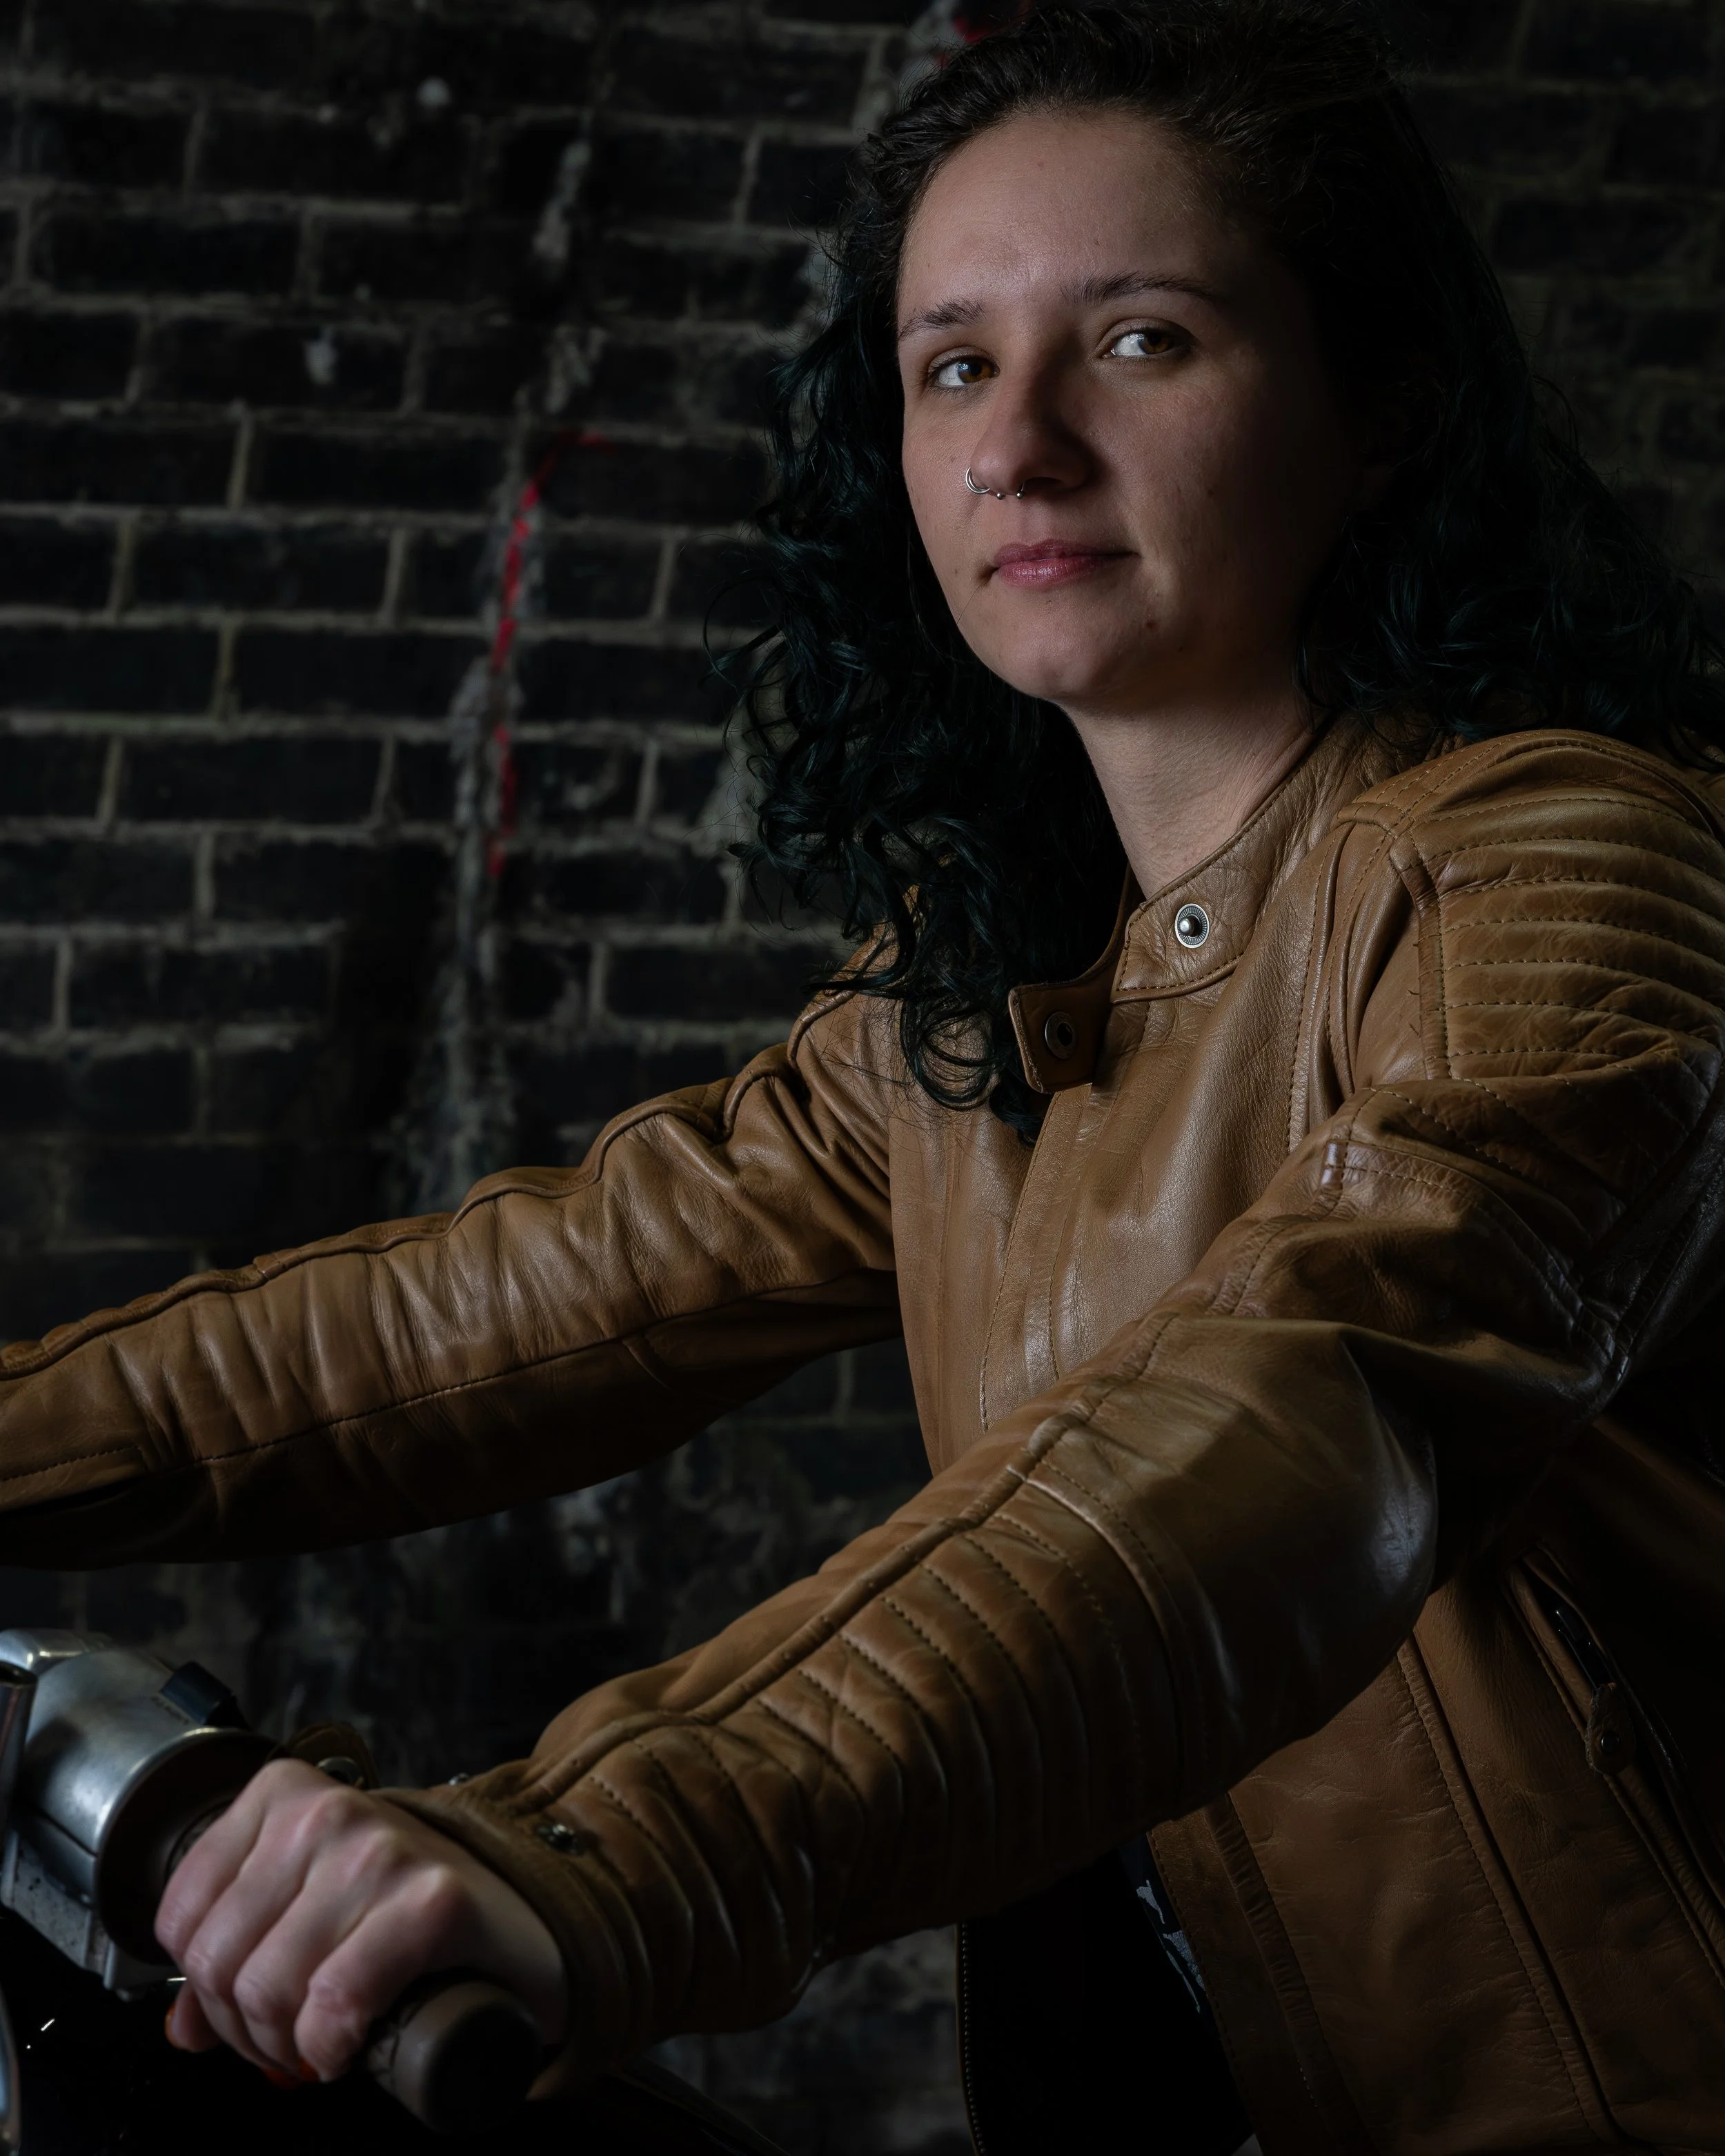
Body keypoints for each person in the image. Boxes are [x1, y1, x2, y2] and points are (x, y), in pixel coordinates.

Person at [4, 3, 1725, 2150]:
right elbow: (483, 1316)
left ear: (1379, 403)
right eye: (951, 367)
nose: (1020, 445)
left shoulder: (1558, 876)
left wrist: (604, 1843)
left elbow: (1317, 1411)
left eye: (1141, 341)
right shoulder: (988, 1004)